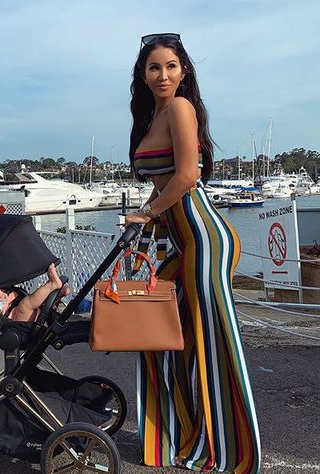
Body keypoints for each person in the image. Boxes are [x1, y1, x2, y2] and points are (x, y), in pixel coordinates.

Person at [125, 34, 261, 473]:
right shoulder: (151, 117)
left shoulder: (181, 109)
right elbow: (161, 181)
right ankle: (183, 434)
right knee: (159, 333)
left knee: (210, 342)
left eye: (170, 66)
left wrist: (146, 213)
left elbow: (186, 177)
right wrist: (150, 222)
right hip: (181, 239)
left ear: (184, 71)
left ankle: (226, 449)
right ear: (142, 75)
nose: (162, 75)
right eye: (153, 67)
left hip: (206, 238)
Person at [0, 263, 70, 322]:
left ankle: (56, 292)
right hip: (16, 322)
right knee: (25, 304)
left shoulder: (8, 287)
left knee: (34, 298)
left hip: (32, 313)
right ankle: (52, 285)